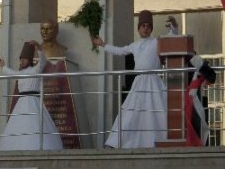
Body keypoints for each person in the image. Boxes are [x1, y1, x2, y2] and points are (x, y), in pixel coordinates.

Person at [92, 10, 167, 148]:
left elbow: (173, 39)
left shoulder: (157, 42)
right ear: (138, 28)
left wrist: (174, 27)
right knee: (130, 112)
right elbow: (119, 51)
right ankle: (117, 142)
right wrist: (103, 45)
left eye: (148, 26)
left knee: (157, 111)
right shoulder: (134, 45)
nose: (145, 28)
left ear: (151, 28)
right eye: (143, 26)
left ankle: (159, 141)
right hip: (139, 83)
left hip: (153, 82)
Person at [0, 40, 63, 151]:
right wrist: (2, 66)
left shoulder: (36, 70)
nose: (22, 61)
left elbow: (43, 61)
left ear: (30, 60)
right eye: (21, 59)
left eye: (24, 59)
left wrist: (38, 47)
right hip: (21, 103)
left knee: (36, 126)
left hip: (34, 102)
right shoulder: (20, 73)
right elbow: (10, 73)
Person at [185, 54, 216, 146]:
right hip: (188, 97)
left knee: (196, 123)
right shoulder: (193, 59)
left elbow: (211, 76)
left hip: (193, 97)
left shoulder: (195, 60)